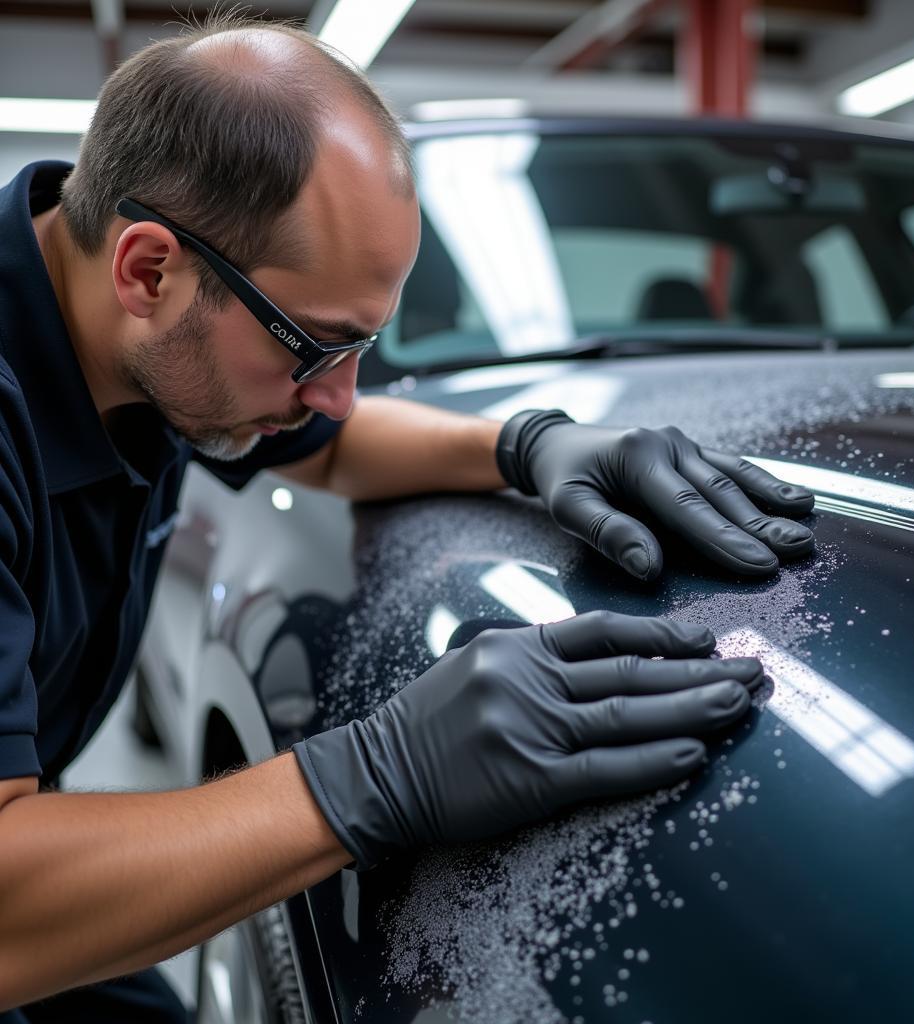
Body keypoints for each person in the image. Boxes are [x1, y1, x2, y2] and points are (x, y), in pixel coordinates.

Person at [0, 12, 815, 1019]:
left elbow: (335, 441)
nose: (337, 394)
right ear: (148, 270)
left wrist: (525, 445)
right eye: (316, 348)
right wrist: (367, 778)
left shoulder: (147, 334)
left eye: (362, 352)